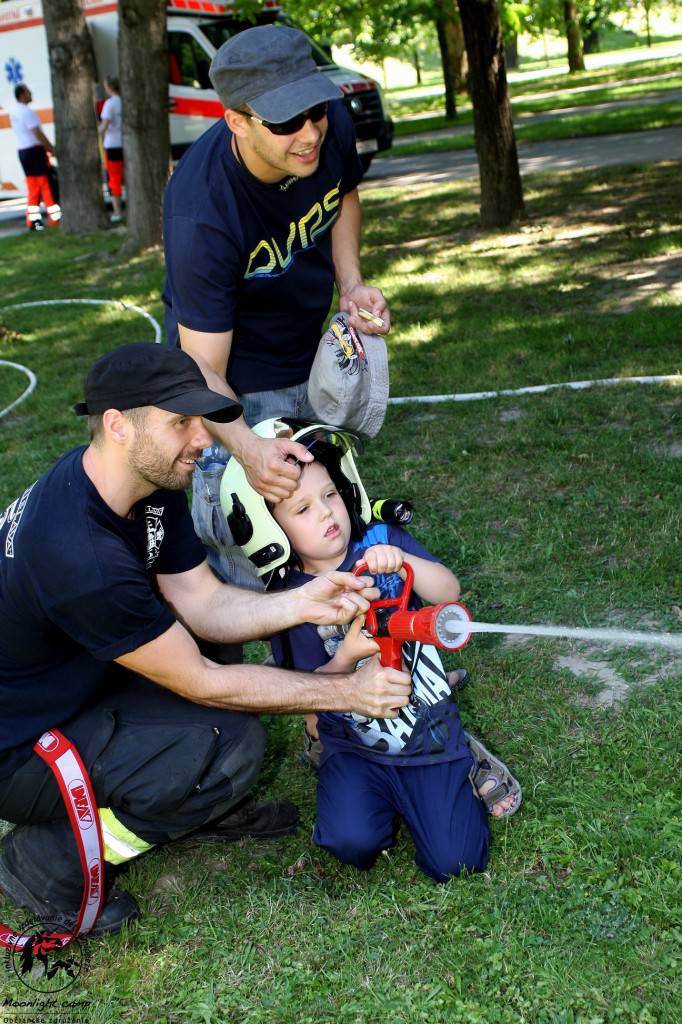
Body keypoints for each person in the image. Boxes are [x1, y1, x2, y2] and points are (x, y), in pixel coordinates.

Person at [0, 343, 411, 937]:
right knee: (233, 747)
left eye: (201, 418)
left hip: (69, 681)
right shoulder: (80, 555)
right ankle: (45, 862)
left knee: (207, 655)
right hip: (20, 752)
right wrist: (350, 691)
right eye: (180, 422)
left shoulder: (139, 482)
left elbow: (201, 601)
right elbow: (204, 684)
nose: (203, 439)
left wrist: (298, 602)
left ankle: (190, 801)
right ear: (117, 425)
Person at [229, 432, 522, 883]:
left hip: (427, 734)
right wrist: (347, 653)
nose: (326, 511)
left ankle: (465, 758)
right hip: (354, 745)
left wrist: (402, 558)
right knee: (351, 843)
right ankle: (380, 797)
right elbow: (310, 697)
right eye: (303, 509)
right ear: (270, 531)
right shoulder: (288, 600)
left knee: (457, 863)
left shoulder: (381, 541)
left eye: (329, 494)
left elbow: (448, 592)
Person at [162, 24, 390, 592]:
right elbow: (203, 368)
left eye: (313, 111)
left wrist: (351, 283)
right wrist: (247, 449)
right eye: (287, 122)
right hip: (235, 385)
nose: (310, 132)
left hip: (309, 356)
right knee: (249, 569)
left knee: (330, 535)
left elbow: (344, 196)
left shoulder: (324, 127)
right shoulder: (201, 212)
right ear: (237, 121)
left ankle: (350, 667)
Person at [9, 83, 61, 231]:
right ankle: (55, 218)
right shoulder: (27, 112)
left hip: (23, 152)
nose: (31, 94)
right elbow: (37, 133)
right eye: (28, 92)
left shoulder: (14, 111)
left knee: (33, 187)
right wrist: (50, 148)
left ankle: (33, 221)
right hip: (34, 151)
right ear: (22, 94)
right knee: (46, 184)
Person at [98, 76, 124, 224]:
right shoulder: (124, 101)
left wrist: (97, 132)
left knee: (114, 179)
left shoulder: (109, 104)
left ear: (109, 87)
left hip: (112, 145)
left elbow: (105, 125)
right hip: (124, 144)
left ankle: (117, 211)